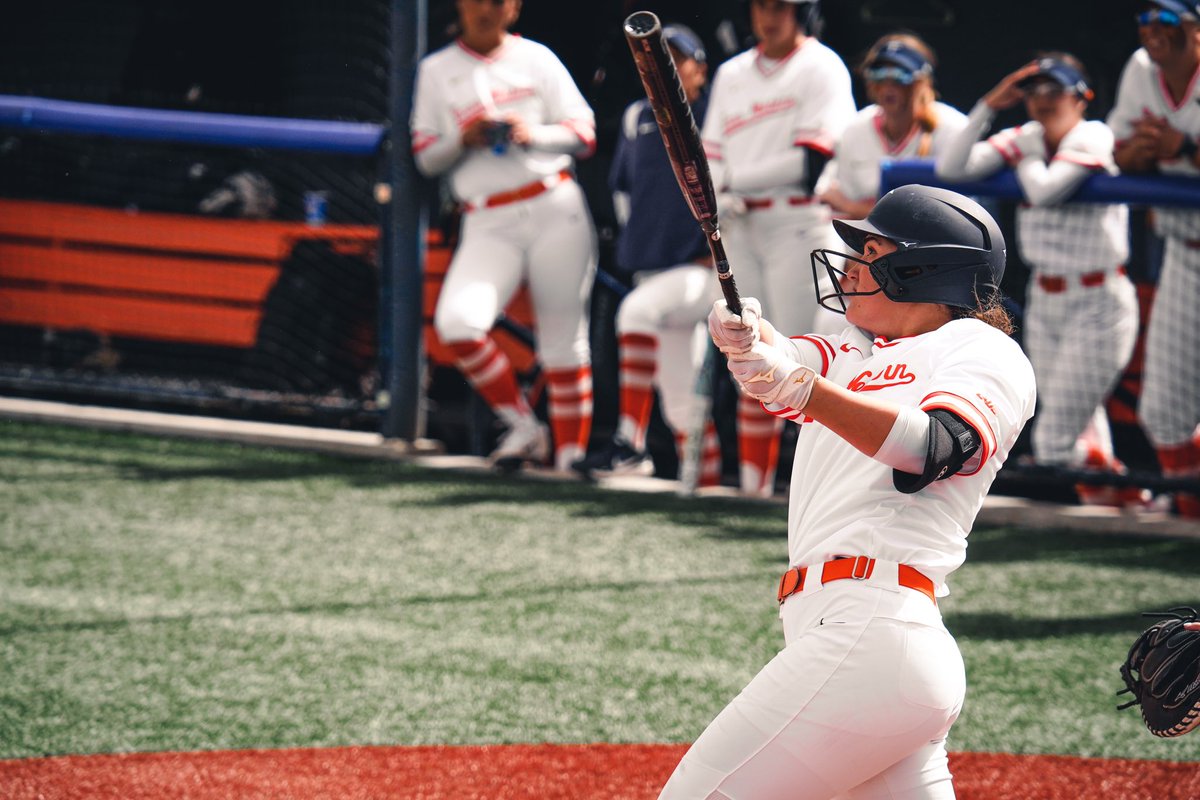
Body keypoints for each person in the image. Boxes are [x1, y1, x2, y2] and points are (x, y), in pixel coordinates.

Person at [658, 185, 1036, 800]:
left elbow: (936, 447)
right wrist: (746, 335)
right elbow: (783, 359)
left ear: (922, 269)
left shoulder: (981, 348)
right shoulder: (859, 353)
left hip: (874, 629)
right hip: (866, 646)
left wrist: (805, 389)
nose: (852, 264)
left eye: (872, 250)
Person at [936, 54, 1145, 507]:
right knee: (1078, 424)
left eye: (1055, 90)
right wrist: (989, 105)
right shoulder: (1029, 136)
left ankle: (1132, 498)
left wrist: (1025, 158)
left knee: (1054, 437)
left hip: (1099, 298)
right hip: (1048, 297)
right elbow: (951, 168)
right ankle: (1125, 505)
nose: (1043, 99)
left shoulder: (1094, 134)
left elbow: (1044, 190)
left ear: (1080, 96)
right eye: (1034, 90)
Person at [410, 0, 598, 472]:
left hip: (553, 203)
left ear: (513, 8)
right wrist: (462, 138)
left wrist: (531, 132)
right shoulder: (436, 69)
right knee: (458, 323)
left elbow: (585, 133)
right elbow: (425, 157)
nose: (485, 9)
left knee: (564, 337)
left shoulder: (537, 57)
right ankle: (524, 426)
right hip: (486, 216)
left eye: (497, 0)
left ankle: (570, 458)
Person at [700, 0, 856, 497]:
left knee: (798, 354)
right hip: (740, 225)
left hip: (798, 222)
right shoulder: (731, 73)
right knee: (747, 350)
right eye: (762, 5)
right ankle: (754, 486)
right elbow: (709, 152)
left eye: (782, 6)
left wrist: (731, 182)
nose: (770, 15)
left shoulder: (822, 64)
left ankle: (820, 486)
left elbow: (812, 163)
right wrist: (719, 193)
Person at [570, 24, 722, 487]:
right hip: (652, 270)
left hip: (700, 273)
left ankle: (629, 443)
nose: (667, 67)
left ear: (699, 69)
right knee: (680, 403)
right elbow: (621, 194)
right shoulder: (637, 115)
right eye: (658, 59)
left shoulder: (713, 115)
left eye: (678, 58)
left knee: (634, 314)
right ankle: (707, 485)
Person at [1107, 0, 1200, 518]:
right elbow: (1120, 154)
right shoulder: (1142, 70)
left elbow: (1178, 145)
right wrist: (1143, 151)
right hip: (1186, 253)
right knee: (1163, 411)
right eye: (1145, 20)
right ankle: (1191, 511)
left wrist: (1181, 146)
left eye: (1166, 20)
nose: (1152, 31)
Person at [818, 33, 967, 220]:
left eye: (900, 74)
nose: (888, 86)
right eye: (878, 73)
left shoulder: (953, 128)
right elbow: (841, 213)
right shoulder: (854, 130)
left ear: (922, 81)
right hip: (869, 245)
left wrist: (856, 209)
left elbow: (953, 218)